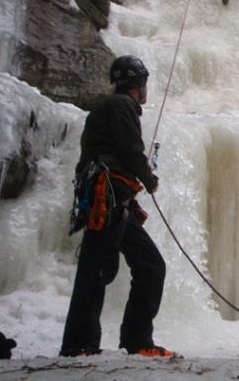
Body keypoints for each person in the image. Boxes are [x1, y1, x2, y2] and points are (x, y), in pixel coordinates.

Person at [60, 55, 172, 358]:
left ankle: (137, 341)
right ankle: (79, 344)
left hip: (115, 198)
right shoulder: (121, 105)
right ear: (139, 83)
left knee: (150, 266)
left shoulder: (110, 107)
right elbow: (131, 150)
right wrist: (149, 179)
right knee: (96, 268)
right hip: (107, 196)